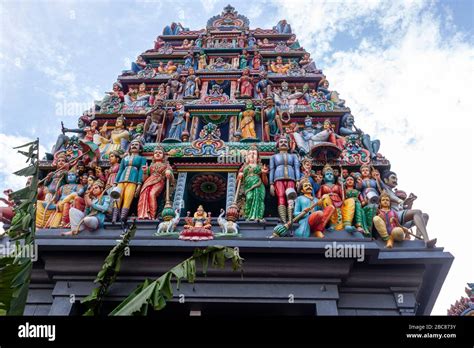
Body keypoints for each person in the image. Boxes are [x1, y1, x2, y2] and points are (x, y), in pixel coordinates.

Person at [112, 139, 147, 223]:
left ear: (140, 148)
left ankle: (123, 217)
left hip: (133, 180)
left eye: (136, 145)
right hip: (121, 180)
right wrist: (115, 182)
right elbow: (120, 170)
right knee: (117, 198)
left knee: (128, 198)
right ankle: (114, 217)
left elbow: (141, 171)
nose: (134, 146)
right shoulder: (125, 159)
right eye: (132, 144)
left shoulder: (142, 158)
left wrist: (139, 184)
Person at [269, 136, 301, 222]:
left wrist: (298, 180)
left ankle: (290, 218)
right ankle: (283, 219)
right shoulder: (274, 157)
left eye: (285, 142)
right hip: (278, 178)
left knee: (291, 196)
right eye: (281, 142)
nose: (283, 143)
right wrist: (271, 183)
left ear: (289, 145)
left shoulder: (293, 156)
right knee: (281, 196)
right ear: (278, 145)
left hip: (291, 178)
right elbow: (272, 169)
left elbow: (297, 168)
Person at [137, 146, 174, 220]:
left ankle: (152, 215)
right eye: (156, 153)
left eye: (160, 153)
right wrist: (144, 172)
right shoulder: (151, 165)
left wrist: (169, 172)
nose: (157, 154)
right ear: (153, 155)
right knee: (144, 195)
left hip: (159, 181)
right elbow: (144, 179)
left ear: (163, 156)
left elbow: (171, 177)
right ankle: (144, 215)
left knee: (152, 194)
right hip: (148, 182)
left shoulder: (166, 165)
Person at [238, 146, 268, 222]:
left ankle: (259, 216)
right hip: (247, 186)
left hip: (258, 185)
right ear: (247, 157)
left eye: (254, 154)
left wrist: (264, 174)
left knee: (259, 200)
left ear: (258, 158)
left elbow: (265, 182)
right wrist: (239, 176)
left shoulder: (260, 167)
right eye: (250, 154)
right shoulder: (243, 167)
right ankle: (248, 216)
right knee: (249, 198)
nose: (251, 155)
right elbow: (237, 183)